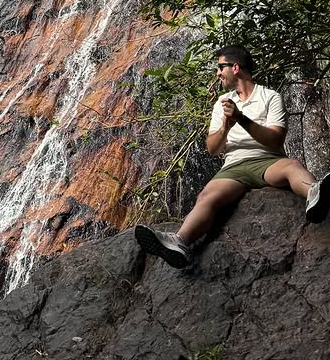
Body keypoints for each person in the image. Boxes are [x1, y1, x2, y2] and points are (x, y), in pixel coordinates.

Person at [134, 45, 330, 268]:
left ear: (235, 67)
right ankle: (180, 242)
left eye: (220, 67)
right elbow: (213, 149)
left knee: (292, 166)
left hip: (268, 160)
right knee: (207, 196)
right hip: (234, 166)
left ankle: (315, 193)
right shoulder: (222, 103)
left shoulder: (270, 97)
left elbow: (275, 140)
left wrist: (241, 118)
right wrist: (225, 127)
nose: (217, 73)